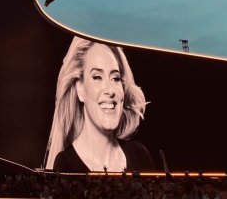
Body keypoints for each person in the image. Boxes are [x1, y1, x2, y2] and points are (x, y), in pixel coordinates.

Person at [44, 36, 154, 172]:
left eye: (115, 78)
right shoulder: (65, 165)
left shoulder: (140, 156)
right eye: (97, 77)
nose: (110, 90)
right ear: (80, 89)